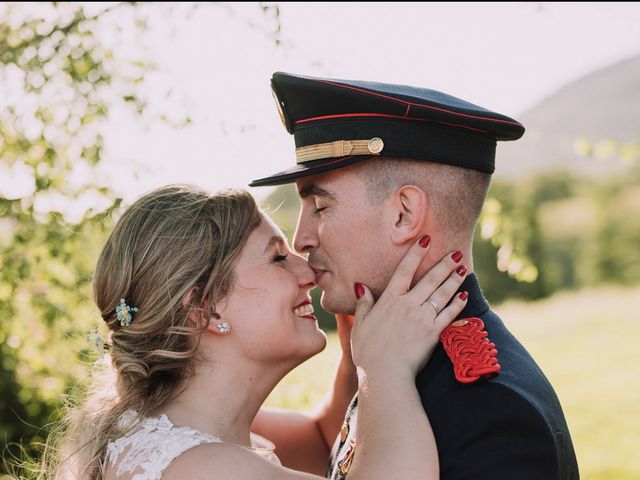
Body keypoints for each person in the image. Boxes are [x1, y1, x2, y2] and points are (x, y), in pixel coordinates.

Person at [250, 72, 580, 479]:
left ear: (404, 214)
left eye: (319, 205)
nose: (300, 239)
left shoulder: (489, 409)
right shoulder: (390, 357)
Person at [34, 184, 469, 480]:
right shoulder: (200, 468)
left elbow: (323, 440)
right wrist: (386, 368)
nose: (308, 272)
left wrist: (354, 340)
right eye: (279, 258)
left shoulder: (173, 430)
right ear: (202, 306)